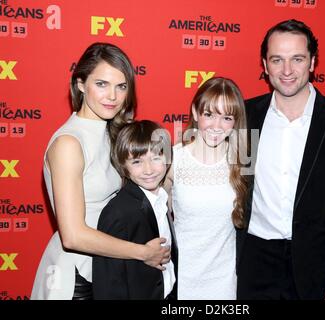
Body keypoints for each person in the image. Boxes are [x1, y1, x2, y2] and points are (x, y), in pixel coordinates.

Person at [237, 19, 325, 300]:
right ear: (264, 65)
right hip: (253, 266)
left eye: (297, 59)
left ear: (312, 63)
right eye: (277, 60)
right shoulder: (245, 119)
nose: (287, 71)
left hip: (318, 269)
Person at [31, 43, 170, 300]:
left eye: (121, 86)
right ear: (81, 84)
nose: (113, 97)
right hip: (77, 278)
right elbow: (73, 236)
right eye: (102, 84)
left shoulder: (114, 132)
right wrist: (142, 252)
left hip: (108, 270)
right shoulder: (69, 143)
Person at [166, 77, 248, 300]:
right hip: (180, 277)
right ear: (195, 112)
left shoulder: (243, 162)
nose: (216, 126)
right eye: (209, 114)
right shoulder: (173, 158)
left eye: (227, 117)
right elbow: (155, 218)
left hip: (225, 282)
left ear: (235, 121)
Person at [93, 120, 177, 300]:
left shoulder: (163, 198)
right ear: (123, 165)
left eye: (156, 158)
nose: (149, 170)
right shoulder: (119, 213)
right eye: (137, 161)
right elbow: (109, 285)